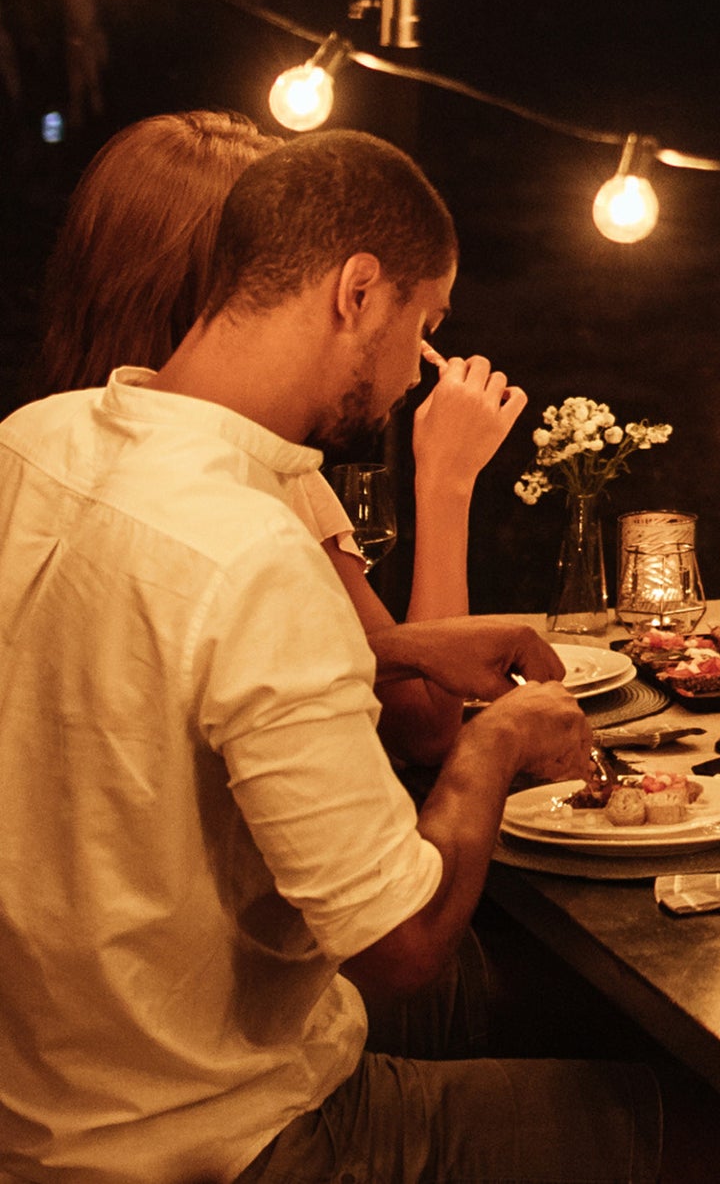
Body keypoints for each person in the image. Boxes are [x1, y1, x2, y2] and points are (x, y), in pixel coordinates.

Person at [0, 129, 661, 1182]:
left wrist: (395, 644)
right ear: (357, 292)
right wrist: (495, 744)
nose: (414, 370)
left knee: (598, 1014)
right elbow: (397, 946)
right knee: (714, 1129)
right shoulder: (251, 546)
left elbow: (140, 663)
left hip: (47, 1097)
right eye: (424, 324)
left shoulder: (38, 440)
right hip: (220, 1137)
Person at [36, 110, 536, 763]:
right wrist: (446, 480)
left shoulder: (43, 439)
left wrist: (400, 647)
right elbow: (419, 725)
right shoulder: (259, 489)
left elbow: (172, 668)